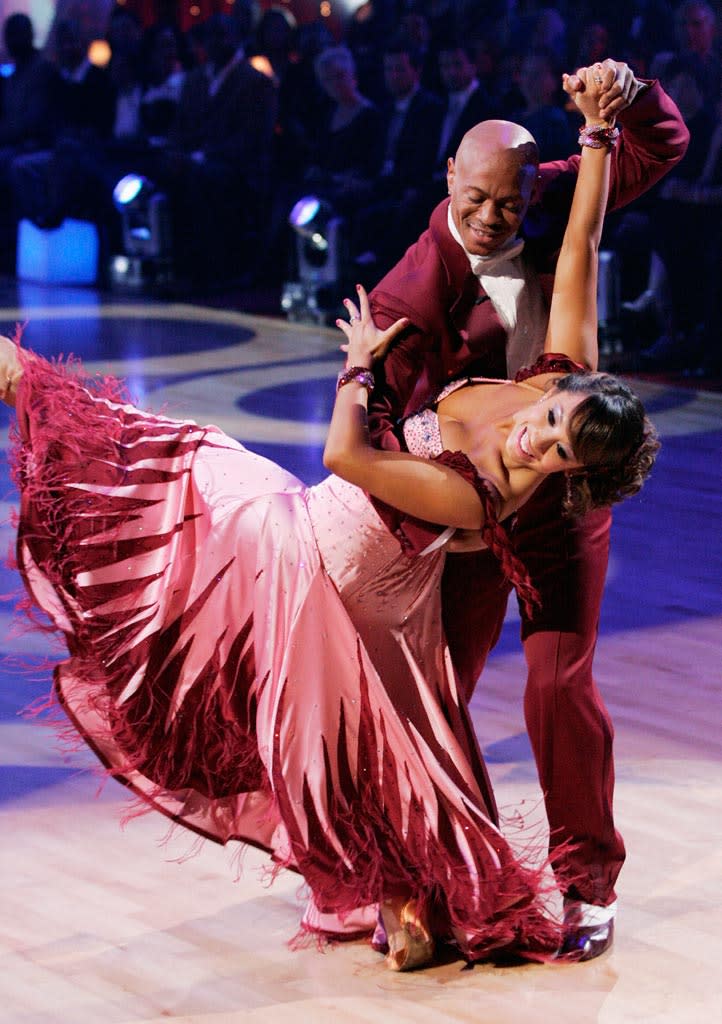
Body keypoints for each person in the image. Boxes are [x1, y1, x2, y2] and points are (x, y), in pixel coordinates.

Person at [0, 72, 657, 972]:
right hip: (357, 560)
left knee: (152, 476)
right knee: (401, 735)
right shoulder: (479, 319)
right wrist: (592, 135)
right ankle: (411, 896)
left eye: (559, 451)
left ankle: (558, 883)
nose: (539, 436)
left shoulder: (496, 491)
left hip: (335, 557)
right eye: (553, 420)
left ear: (578, 473)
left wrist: (354, 373)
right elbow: (581, 236)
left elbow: (352, 456)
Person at [364, 58, 688, 961]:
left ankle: (586, 886)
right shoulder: (410, 291)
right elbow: (371, 440)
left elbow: (643, 163)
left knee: (558, 684)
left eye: (507, 201)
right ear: (450, 186)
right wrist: (442, 526)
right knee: (433, 701)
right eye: (478, 201)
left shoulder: (534, 194)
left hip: (565, 503)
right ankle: (412, 878)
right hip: (474, 516)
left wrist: (614, 107)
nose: (495, 217)